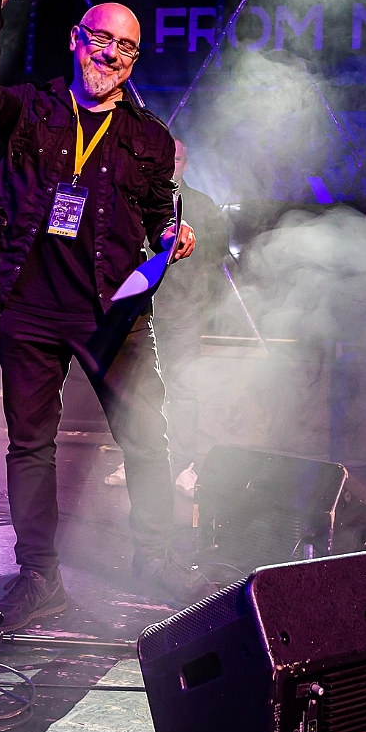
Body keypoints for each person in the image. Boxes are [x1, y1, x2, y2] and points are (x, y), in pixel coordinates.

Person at [0, 0, 212, 633]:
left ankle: (154, 557)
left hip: (113, 308)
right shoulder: (31, 109)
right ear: (76, 39)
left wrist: (172, 235)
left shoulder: (150, 138)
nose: (112, 54)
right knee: (29, 445)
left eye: (126, 47)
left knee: (146, 437)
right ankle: (40, 575)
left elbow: (158, 214)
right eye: (102, 39)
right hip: (29, 302)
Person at [104, 139, 225, 497]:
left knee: (183, 387)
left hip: (183, 311)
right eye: (166, 158)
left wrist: (201, 304)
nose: (171, 165)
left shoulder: (202, 205)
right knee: (137, 388)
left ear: (186, 163)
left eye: (177, 159)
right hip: (141, 308)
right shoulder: (136, 197)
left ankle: (183, 463)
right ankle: (136, 459)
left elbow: (215, 260)